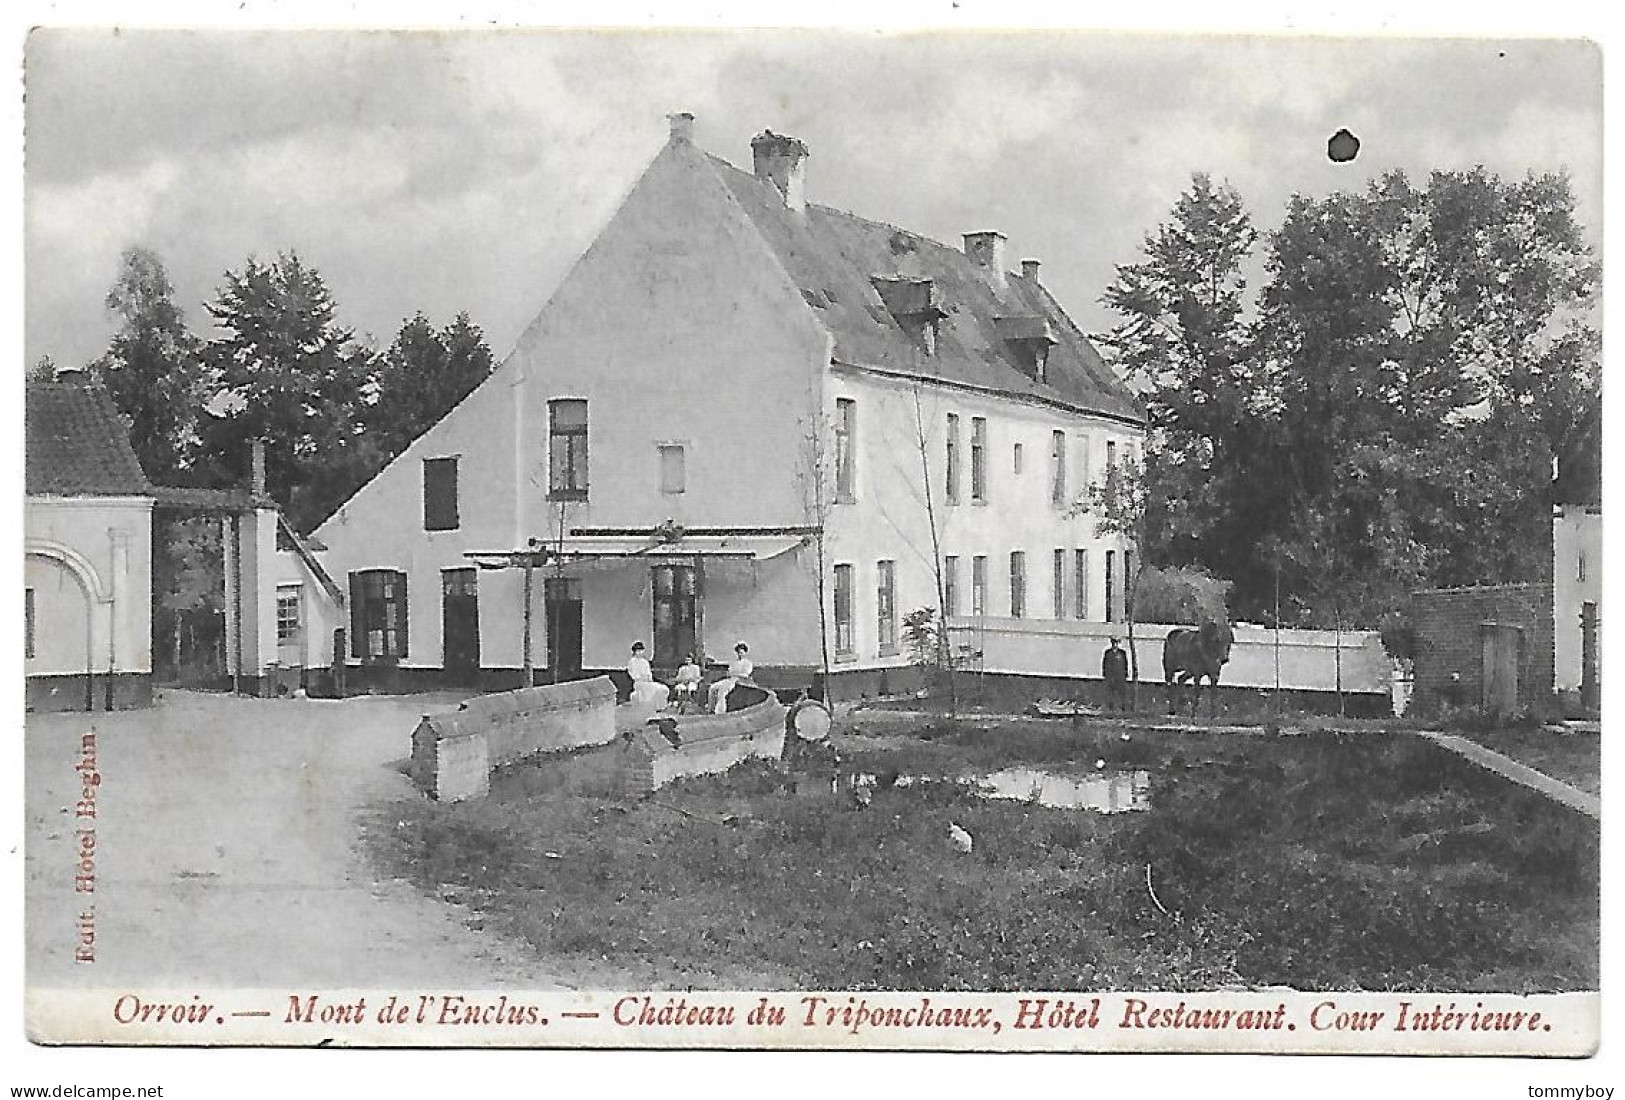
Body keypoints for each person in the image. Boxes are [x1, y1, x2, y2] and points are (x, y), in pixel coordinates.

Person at [709, 642, 755, 714]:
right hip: (731, 679)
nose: (740, 654)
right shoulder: (733, 663)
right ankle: (711, 709)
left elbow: (745, 674)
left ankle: (720, 712)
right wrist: (733, 674)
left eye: (741, 652)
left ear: (745, 653)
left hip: (739, 680)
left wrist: (735, 674)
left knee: (722, 691)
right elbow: (729, 673)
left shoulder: (748, 663)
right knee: (712, 687)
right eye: (738, 652)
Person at [626, 641, 669, 708]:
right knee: (646, 690)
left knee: (662, 688)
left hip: (648, 682)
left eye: (641, 650)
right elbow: (633, 675)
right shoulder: (632, 662)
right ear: (634, 652)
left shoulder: (645, 662)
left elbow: (649, 673)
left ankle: (659, 707)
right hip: (639, 683)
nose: (640, 652)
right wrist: (641, 678)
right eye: (638, 651)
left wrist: (648, 678)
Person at [1102, 637, 1129, 713]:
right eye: (1114, 643)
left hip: (1120, 676)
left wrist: (1125, 674)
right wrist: (1105, 674)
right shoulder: (1108, 653)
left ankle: (1123, 707)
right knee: (1111, 692)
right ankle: (1111, 707)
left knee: (1122, 692)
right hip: (1111, 676)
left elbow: (1125, 664)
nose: (1115, 645)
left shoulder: (1122, 653)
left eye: (1116, 643)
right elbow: (1105, 664)